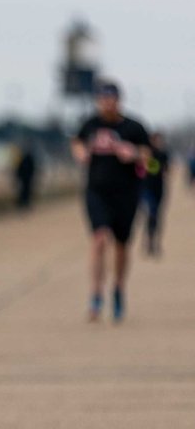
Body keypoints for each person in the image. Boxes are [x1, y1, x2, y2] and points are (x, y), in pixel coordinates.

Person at [70, 80, 150, 322]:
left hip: (126, 193)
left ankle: (118, 288)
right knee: (99, 238)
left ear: (118, 100)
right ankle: (96, 293)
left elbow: (149, 158)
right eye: (103, 99)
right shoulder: (90, 124)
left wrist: (134, 153)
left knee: (122, 245)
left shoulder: (134, 127)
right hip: (97, 192)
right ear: (98, 100)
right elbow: (76, 141)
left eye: (111, 98)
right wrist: (80, 153)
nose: (107, 103)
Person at [141, 131, 170, 256]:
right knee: (151, 213)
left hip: (159, 188)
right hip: (146, 188)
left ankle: (154, 242)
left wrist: (154, 167)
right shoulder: (145, 154)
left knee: (157, 216)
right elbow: (143, 169)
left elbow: (165, 170)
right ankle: (149, 241)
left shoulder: (163, 154)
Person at [14, 143, 38, 210]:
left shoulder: (23, 159)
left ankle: (23, 204)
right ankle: (23, 204)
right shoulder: (28, 159)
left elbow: (19, 169)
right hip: (26, 178)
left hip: (25, 178)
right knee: (26, 191)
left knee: (24, 191)